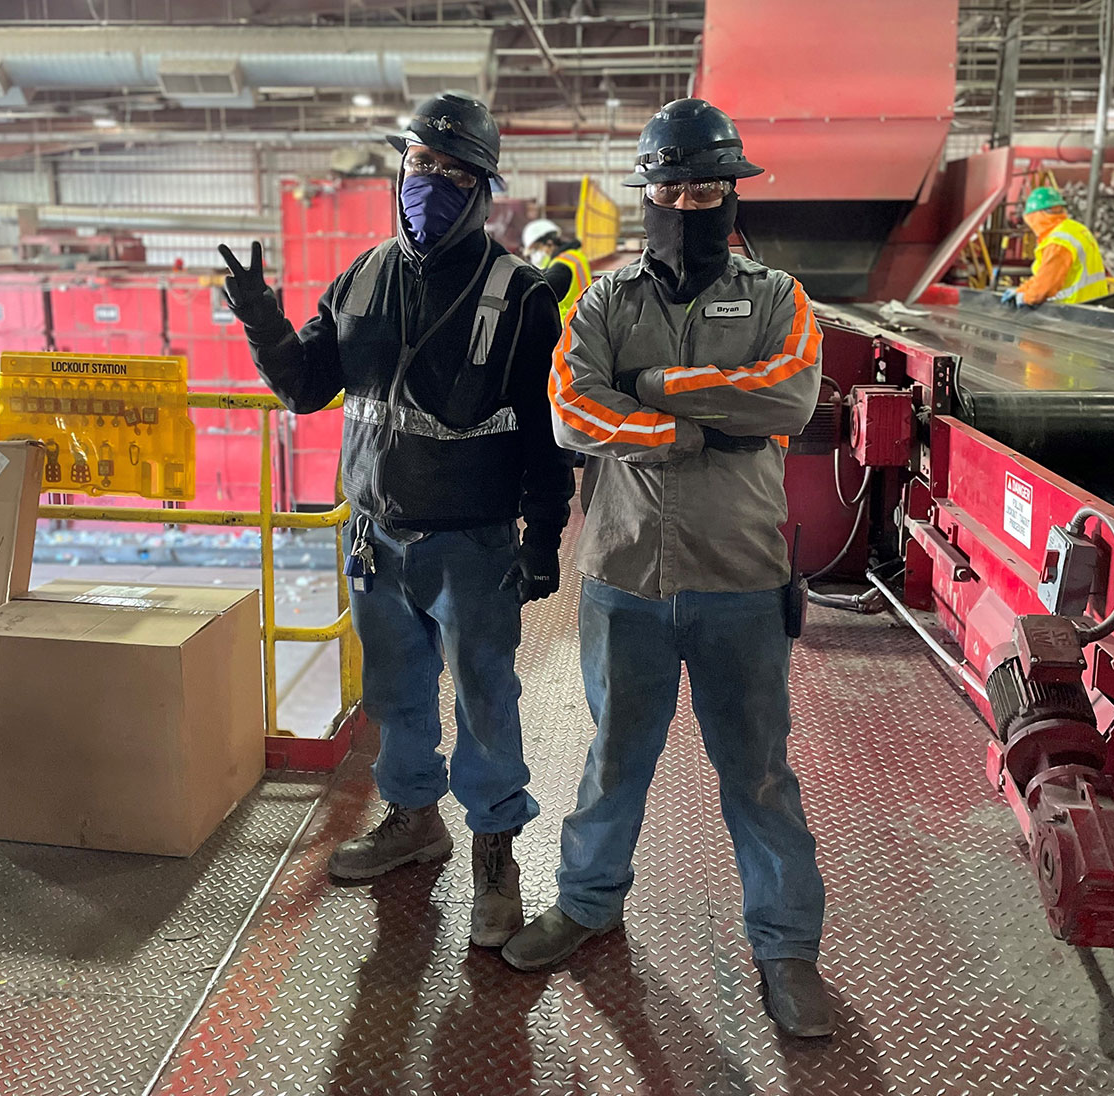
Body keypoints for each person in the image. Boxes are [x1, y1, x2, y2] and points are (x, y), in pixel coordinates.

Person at [501, 98, 833, 1039]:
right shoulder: (605, 299)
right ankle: (586, 902)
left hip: (741, 580)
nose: (688, 204)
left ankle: (786, 948)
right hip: (623, 583)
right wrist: (690, 429)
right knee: (614, 759)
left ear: (732, 195)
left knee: (759, 774)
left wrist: (644, 390)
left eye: (706, 187)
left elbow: (785, 397)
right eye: (671, 187)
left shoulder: (778, 300)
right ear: (648, 193)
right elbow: (573, 411)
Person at [218, 91, 574, 949]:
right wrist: (264, 321)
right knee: (395, 695)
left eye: (453, 173)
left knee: (487, 701)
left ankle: (496, 853)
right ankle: (415, 822)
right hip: (376, 537)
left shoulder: (521, 296)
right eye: (421, 165)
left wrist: (545, 538)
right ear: (400, 170)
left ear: (484, 188)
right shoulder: (361, 277)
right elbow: (308, 388)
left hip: (473, 546)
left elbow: (545, 434)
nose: (432, 185)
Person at [1002, 186, 1108, 308]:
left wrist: (1025, 298)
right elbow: (1043, 275)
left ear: (1037, 215)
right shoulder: (1076, 229)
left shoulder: (1058, 242)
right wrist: (1020, 290)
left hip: (1073, 312)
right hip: (1095, 307)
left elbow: (1043, 288)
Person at [521, 218, 593, 322]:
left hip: (567, 328)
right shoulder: (574, 255)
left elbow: (538, 296)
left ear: (549, 244)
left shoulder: (561, 266)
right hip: (581, 321)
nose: (534, 255)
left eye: (536, 249)